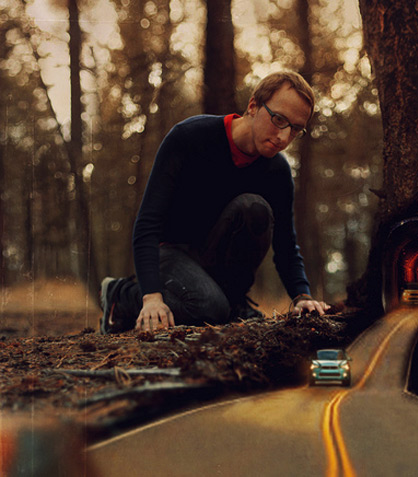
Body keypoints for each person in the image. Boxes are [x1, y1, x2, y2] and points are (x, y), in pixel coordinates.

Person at [99, 71, 330, 334]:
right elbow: (148, 222)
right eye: (278, 120)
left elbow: (286, 243)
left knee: (254, 209)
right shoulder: (190, 137)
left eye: (296, 129)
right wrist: (151, 296)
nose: (283, 137)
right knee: (209, 308)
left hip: (215, 261)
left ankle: (231, 301)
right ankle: (120, 294)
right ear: (253, 106)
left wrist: (302, 296)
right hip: (171, 252)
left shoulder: (277, 171)